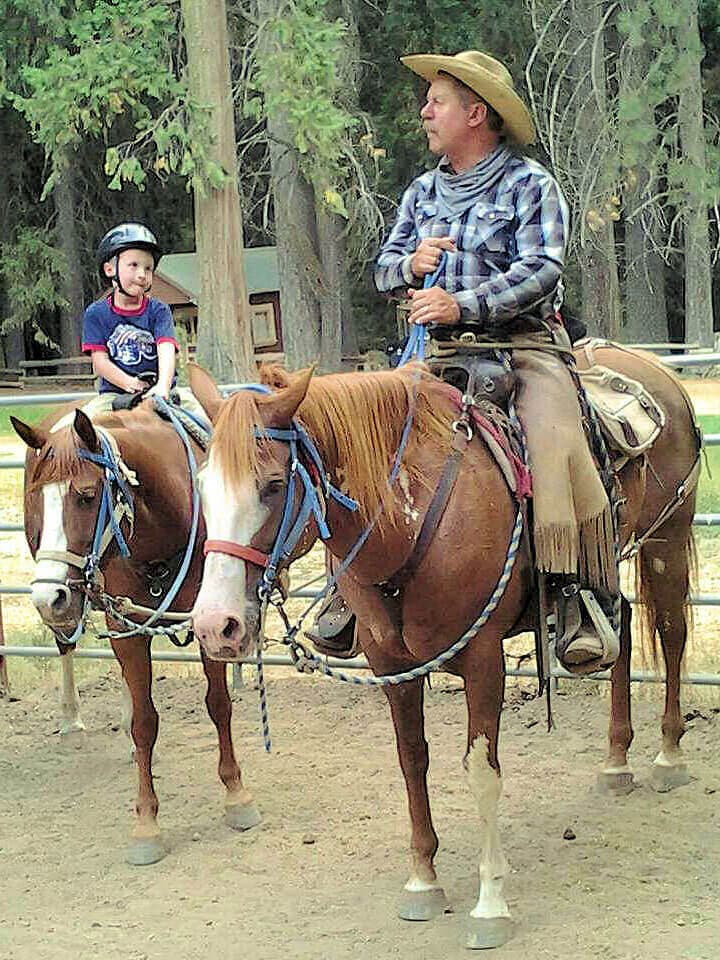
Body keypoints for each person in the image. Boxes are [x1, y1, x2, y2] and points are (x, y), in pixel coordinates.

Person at [308, 50, 618, 674]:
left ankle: (571, 591)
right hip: (433, 358)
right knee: (363, 440)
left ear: (476, 113)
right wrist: (410, 267)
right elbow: (384, 269)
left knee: (554, 434)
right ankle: (349, 584)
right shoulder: (421, 191)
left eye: (437, 100)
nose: (424, 110)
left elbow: (543, 270)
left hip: (525, 347)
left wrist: (463, 303)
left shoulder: (531, 184)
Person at [82, 222, 177, 400]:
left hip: (162, 392)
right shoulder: (96, 314)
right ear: (110, 269)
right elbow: (100, 361)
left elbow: (166, 348)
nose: (142, 274)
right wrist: (130, 383)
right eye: (133, 265)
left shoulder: (159, 310)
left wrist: (163, 386)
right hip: (115, 394)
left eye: (148, 268)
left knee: (202, 422)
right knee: (74, 424)